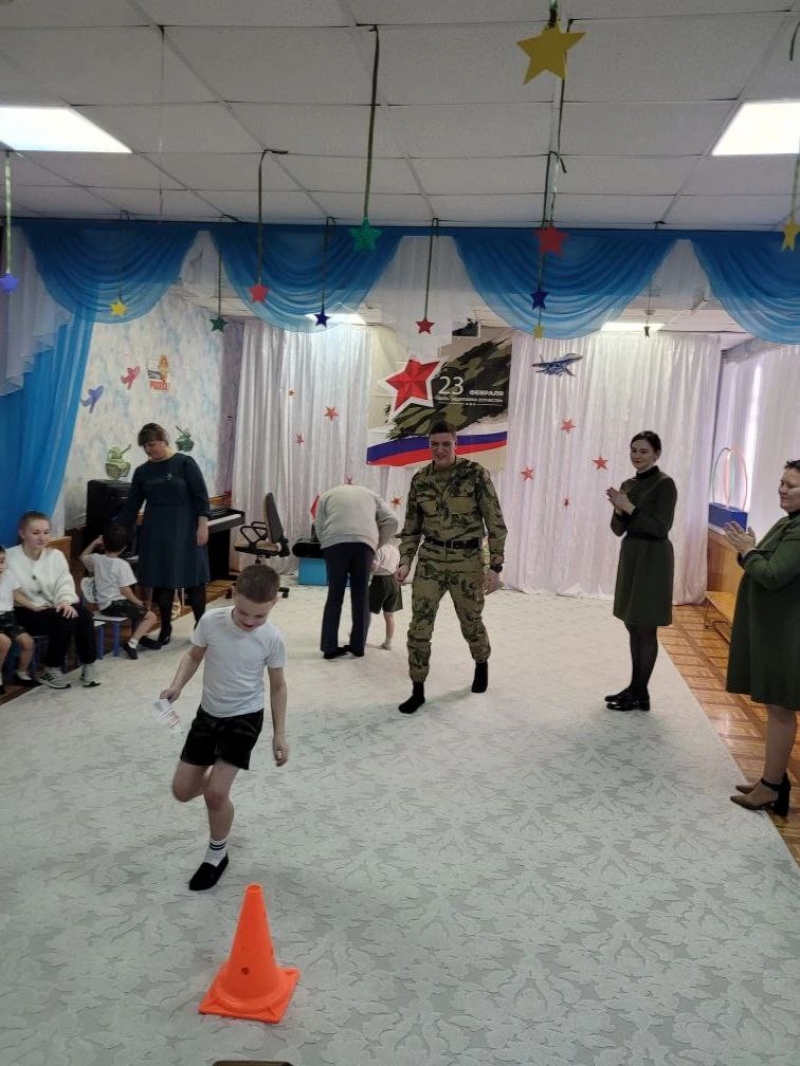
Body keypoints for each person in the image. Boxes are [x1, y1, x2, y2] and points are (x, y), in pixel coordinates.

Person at [161, 564, 289, 891]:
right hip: (209, 714)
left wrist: (279, 733)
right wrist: (177, 685)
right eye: (243, 612)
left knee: (216, 794)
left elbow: (278, 686)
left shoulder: (272, 638)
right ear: (234, 594)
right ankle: (213, 782)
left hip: (245, 718)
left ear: (273, 604)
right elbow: (193, 656)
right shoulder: (211, 621)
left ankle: (217, 854)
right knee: (182, 791)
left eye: (259, 616)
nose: (250, 621)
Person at [395, 420, 507, 714]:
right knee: (419, 627)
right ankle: (417, 689)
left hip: (467, 561)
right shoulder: (420, 480)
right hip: (431, 559)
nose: (440, 450)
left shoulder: (475, 474)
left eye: (446, 444)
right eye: (435, 444)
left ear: (456, 444)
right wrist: (405, 561)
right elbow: (411, 528)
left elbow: (495, 522)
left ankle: (481, 662)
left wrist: (495, 566)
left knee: (471, 622)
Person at [724, 460, 800, 816]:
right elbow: (762, 562)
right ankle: (773, 781)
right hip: (775, 628)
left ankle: (771, 787)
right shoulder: (789, 522)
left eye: (791, 485)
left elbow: (772, 574)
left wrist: (748, 551)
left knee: (781, 709)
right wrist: (749, 549)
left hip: (786, 632)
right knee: (775, 707)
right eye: (782, 482)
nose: (782, 489)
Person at [117, 423, 210, 650]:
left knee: (195, 580)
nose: (149, 450)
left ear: (163, 440)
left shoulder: (185, 464)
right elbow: (132, 506)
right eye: (145, 447)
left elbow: (200, 496)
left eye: (152, 445)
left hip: (186, 528)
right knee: (163, 581)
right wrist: (114, 532)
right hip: (156, 531)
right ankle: (166, 626)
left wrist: (202, 525)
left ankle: (201, 627)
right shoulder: (142, 472)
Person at [605, 431, 677, 712]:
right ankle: (636, 689)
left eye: (644, 451)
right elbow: (617, 530)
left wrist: (630, 508)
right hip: (632, 554)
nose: (637, 455)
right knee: (632, 623)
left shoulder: (665, 484)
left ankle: (639, 692)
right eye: (633, 450)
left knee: (645, 626)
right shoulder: (628, 484)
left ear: (657, 454)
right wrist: (619, 511)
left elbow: (661, 528)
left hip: (653, 558)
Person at [6, 511, 101, 690]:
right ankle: (51, 668)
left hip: (52, 607)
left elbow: (64, 582)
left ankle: (89, 664)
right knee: (65, 618)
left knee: (84, 615)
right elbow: (9, 591)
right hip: (24, 610)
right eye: (36, 533)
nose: (42, 538)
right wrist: (35, 606)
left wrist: (64, 601)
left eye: (46, 532)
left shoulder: (55, 555)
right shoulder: (10, 557)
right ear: (22, 533)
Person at [315, 483, 398, 659]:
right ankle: (358, 647)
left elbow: (319, 525)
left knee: (334, 596)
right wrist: (376, 544)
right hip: (364, 544)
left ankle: (329, 648)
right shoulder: (372, 494)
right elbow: (393, 520)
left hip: (334, 542)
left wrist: (327, 544)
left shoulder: (327, 495)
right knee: (361, 596)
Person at [79, 524, 159, 660]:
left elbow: (82, 556)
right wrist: (138, 601)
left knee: (138, 610)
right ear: (124, 547)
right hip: (116, 605)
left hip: (103, 606)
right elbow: (125, 590)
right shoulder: (122, 565)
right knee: (151, 616)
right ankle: (132, 643)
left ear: (104, 543)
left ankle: (139, 636)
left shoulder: (97, 559)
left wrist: (95, 542)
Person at [0, 544, 35, 694]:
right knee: (4, 642)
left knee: (28, 642)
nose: (0, 566)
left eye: (2, 561)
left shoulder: (8, 575)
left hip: (8, 617)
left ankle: (20, 673)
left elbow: (17, 595)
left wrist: (35, 607)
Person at [370, 536, 403, 650]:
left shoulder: (378, 549)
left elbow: (374, 567)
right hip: (394, 582)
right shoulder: (394, 549)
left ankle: (358, 637)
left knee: (366, 611)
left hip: (380, 582)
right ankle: (388, 643)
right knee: (389, 615)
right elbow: (397, 566)